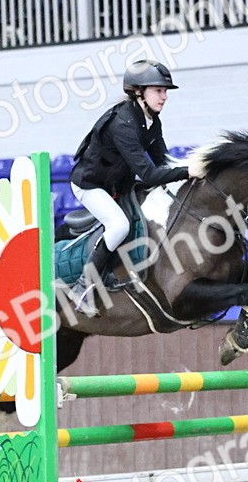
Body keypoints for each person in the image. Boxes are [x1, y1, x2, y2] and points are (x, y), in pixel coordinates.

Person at [67, 59, 193, 315]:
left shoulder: (152, 121)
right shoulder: (122, 123)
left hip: (118, 183)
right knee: (119, 225)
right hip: (90, 184)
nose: (165, 97)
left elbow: (163, 162)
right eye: (159, 90)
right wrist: (189, 171)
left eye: (165, 91)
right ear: (139, 92)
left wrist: (193, 175)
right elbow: (148, 173)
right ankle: (83, 286)